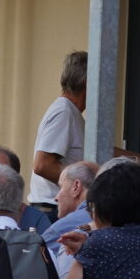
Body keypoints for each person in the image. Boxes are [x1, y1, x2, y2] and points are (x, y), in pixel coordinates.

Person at [28, 53, 89, 221]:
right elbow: (43, 165)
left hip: (54, 209)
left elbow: (101, 147)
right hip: (53, 210)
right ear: (87, 83)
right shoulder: (64, 112)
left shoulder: (70, 113)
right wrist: (82, 190)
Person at [42, 161, 98, 275]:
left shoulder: (62, 229)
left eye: (61, 187)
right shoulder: (111, 219)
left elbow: (32, 264)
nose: (56, 198)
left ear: (76, 187)